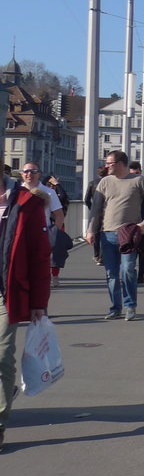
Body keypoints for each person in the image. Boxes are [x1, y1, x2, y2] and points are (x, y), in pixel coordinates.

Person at [0, 176, 52, 452]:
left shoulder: (26, 203)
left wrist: (39, 301)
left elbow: (40, 254)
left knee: (1, 355)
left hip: (6, 294)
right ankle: (6, 392)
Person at [85, 151, 144, 321]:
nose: (106, 166)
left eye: (109, 163)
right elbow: (95, 208)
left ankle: (130, 305)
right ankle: (115, 307)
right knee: (111, 273)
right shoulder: (105, 182)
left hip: (129, 233)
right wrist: (91, 230)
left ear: (120, 163)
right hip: (107, 233)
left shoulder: (138, 181)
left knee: (127, 270)